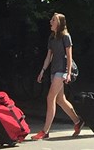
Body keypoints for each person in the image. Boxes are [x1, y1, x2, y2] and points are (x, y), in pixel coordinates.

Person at [32, 12, 84, 140]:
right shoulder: (52, 37)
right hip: (54, 71)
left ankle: (45, 131)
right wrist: (42, 71)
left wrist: (67, 72)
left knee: (50, 98)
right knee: (60, 100)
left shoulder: (66, 37)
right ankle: (78, 122)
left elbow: (69, 56)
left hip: (61, 71)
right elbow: (49, 56)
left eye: (53, 20)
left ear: (59, 23)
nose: (50, 22)